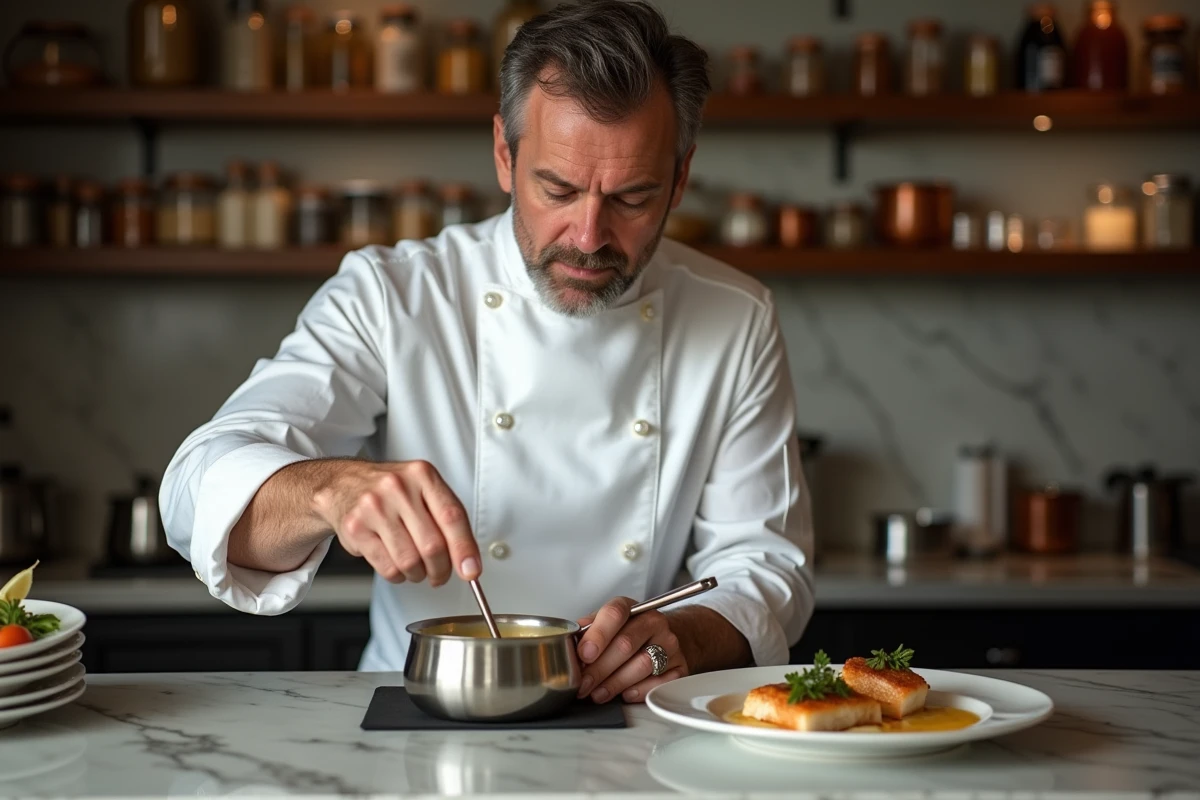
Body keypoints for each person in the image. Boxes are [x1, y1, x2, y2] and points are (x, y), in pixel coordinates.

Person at [160, 0, 814, 706]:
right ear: (504, 154)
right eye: (557, 189)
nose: (589, 236)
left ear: (680, 180)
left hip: (628, 714)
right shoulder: (395, 292)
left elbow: (767, 564)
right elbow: (197, 486)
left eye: (633, 197)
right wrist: (331, 490)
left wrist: (684, 636)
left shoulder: (735, 315)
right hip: (420, 703)